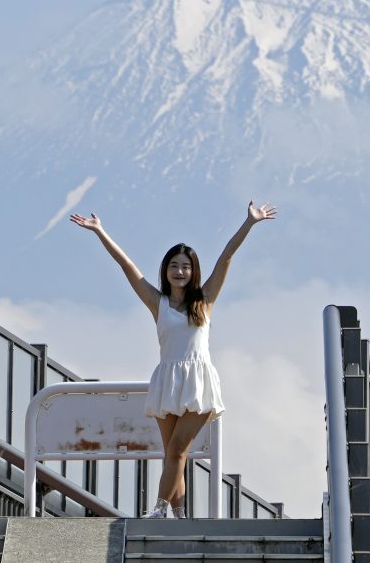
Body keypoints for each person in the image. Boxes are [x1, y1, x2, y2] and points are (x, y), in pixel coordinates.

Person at [70, 200, 277, 518]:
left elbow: (226, 257)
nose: (180, 271)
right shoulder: (158, 303)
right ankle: (179, 515)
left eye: (186, 266)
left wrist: (249, 223)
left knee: (179, 449)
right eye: (174, 266)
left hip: (198, 380)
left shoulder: (204, 301)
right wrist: (100, 231)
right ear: (165, 271)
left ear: (194, 271)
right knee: (171, 455)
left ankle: (159, 509)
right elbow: (127, 267)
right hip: (168, 378)